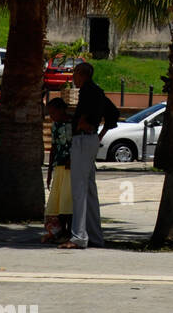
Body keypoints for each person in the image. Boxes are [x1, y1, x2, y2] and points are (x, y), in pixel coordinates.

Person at [59, 62, 119, 250]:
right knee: (90, 190)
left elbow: (90, 115)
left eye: (75, 74)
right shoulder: (98, 91)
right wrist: (99, 134)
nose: (73, 79)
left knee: (79, 189)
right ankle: (94, 236)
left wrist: (83, 124)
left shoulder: (87, 91)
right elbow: (113, 113)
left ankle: (78, 237)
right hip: (91, 140)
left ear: (81, 74)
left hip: (84, 140)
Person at [43, 97, 72, 244]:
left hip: (70, 167)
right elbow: (54, 147)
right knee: (58, 200)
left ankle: (69, 232)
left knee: (68, 200)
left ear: (61, 110)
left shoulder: (73, 124)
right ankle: (58, 232)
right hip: (59, 166)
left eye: (53, 112)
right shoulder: (55, 126)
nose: (51, 115)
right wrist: (49, 171)